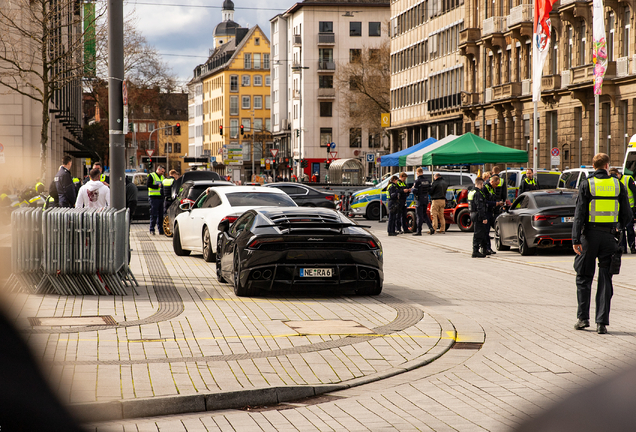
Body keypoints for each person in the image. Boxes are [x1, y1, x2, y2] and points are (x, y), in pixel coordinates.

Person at [572, 153, 632, 334]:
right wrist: (618, 228)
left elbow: (579, 214)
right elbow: (628, 214)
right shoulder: (617, 184)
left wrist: (575, 239)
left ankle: (583, 319)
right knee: (605, 279)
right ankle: (602, 323)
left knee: (584, 277)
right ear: (607, 166)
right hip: (609, 237)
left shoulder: (587, 184)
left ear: (593, 166)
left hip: (589, 237)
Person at [609, 168, 636, 254]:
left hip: (629, 208)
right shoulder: (613, 182)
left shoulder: (627, 179)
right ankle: (622, 247)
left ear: (618, 173)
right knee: (621, 229)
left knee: (629, 228)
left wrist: (635, 206)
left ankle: (632, 246)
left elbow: (635, 192)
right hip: (618, 209)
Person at [469, 178, 488, 258]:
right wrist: (483, 217)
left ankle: (484, 249)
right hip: (478, 215)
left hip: (473, 213)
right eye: (482, 184)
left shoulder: (471, 191)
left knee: (482, 232)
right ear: (480, 184)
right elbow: (479, 206)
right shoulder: (478, 193)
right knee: (478, 233)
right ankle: (475, 251)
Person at [412, 167, 434, 235]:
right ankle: (431, 228)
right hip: (426, 198)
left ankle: (419, 231)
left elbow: (415, 191)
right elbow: (430, 190)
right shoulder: (427, 180)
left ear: (417, 173)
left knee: (419, 215)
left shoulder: (417, 181)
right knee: (424, 214)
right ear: (422, 172)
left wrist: (412, 188)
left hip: (419, 199)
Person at [147, 165, 166, 235]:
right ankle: (152, 229)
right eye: (162, 171)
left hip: (161, 197)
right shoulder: (151, 176)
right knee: (154, 214)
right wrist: (157, 186)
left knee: (161, 215)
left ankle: (160, 230)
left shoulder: (162, 177)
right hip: (153, 198)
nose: (162, 173)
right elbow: (148, 185)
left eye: (163, 172)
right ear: (158, 169)